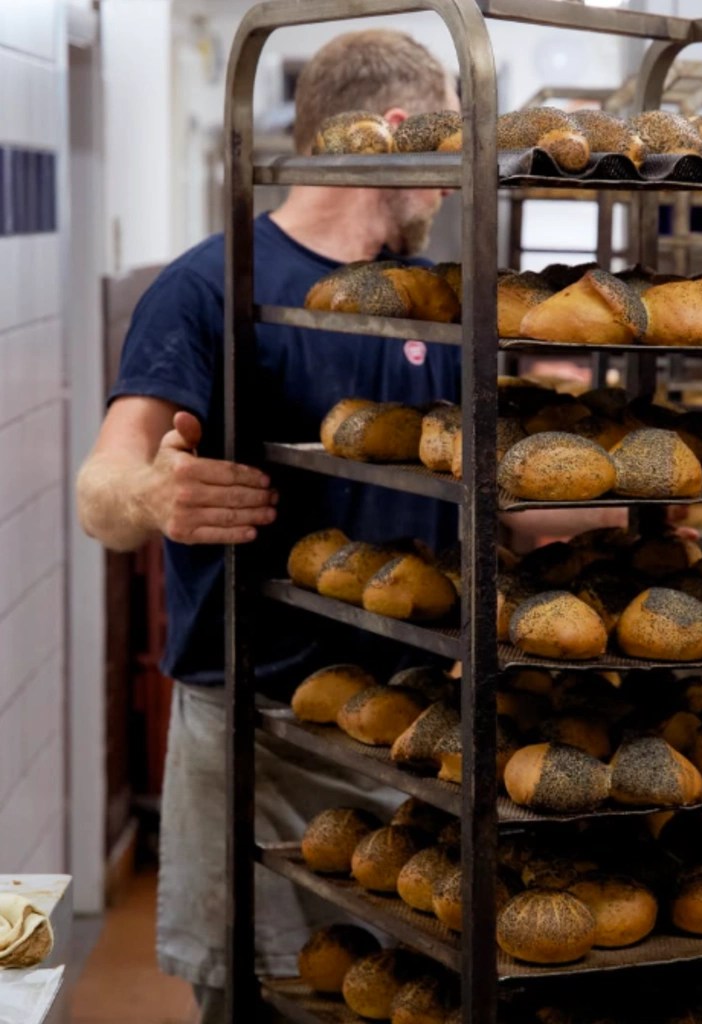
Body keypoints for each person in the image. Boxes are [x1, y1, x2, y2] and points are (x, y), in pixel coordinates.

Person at [76, 30, 464, 1023]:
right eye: (447, 140)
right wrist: (152, 496)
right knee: (265, 1001)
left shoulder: (433, 302)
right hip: (261, 740)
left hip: (413, 736)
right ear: (392, 133)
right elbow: (101, 487)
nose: (452, 175)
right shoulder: (213, 285)